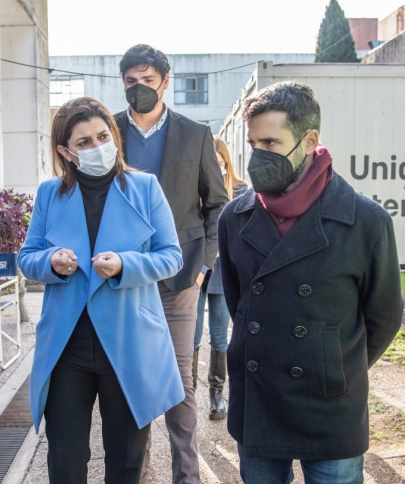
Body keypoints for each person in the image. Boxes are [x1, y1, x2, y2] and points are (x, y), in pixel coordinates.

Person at [218, 80, 402, 483]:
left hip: (330, 405)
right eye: (253, 145)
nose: (258, 157)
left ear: (309, 140)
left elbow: (385, 314)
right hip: (260, 401)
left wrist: (333, 362)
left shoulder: (366, 220)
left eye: (270, 143)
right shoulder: (233, 218)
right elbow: (240, 302)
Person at [18, 96, 185, 483]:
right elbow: (27, 257)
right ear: (65, 151)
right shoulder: (49, 194)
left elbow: (171, 257)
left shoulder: (145, 188)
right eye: (84, 142)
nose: (97, 147)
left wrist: (127, 265)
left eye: (102, 136)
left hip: (129, 342)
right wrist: (52, 262)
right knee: (65, 460)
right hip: (67, 347)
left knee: (126, 462)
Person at [113, 44, 228, 483]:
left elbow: (217, 205)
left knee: (180, 383)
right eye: (130, 81)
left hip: (180, 276)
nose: (138, 88)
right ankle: (134, 473)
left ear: (165, 81)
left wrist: (204, 265)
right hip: (123, 279)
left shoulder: (195, 134)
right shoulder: (110, 133)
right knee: (129, 379)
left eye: (147, 80)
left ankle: (187, 475)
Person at [193, 136, 248, 421]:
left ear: (226, 161)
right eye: (210, 162)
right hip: (195, 270)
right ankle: (187, 394)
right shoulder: (194, 189)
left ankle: (216, 393)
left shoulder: (239, 191)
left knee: (218, 333)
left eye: (220, 161)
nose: (216, 166)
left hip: (223, 273)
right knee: (191, 335)